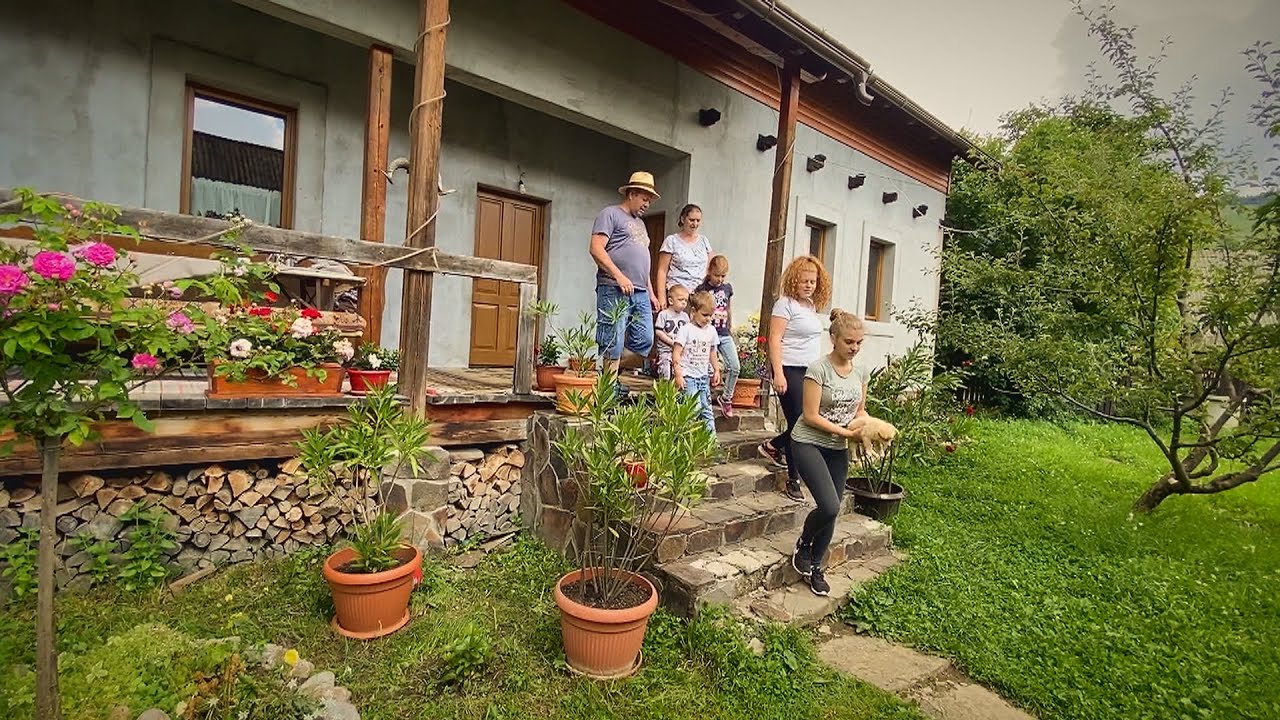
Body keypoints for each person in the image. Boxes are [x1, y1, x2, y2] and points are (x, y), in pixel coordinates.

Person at [789, 309, 868, 597]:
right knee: (830, 505)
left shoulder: (860, 372)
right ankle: (804, 544)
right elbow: (809, 415)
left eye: (859, 343)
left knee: (831, 512)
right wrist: (846, 433)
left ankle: (815, 566)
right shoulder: (818, 369)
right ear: (833, 338)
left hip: (837, 448)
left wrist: (868, 430)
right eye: (849, 342)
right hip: (809, 442)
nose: (854, 348)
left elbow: (860, 411)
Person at [758, 255, 831, 501]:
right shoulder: (784, 304)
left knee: (803, 423)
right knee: (800, 424)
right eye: (804, 281)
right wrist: (778, 372)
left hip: (809, 371)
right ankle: (793, 480)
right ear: (794, 281)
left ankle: (774, 446)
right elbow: (775, 339)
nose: (809, 285)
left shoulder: (811, 307)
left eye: (813, 281)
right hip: (788, 369)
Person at [590, 172, 661, 388]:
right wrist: (619, 276)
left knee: (646, 340)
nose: (647, 203)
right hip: (614, 287)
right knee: (613, 341)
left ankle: (609, 374)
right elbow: (596, 249)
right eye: (644, 198)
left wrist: (651, 292)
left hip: (640, 291)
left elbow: (642, 262)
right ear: (631, 194)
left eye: (649, 199)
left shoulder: (641, 224)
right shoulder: (609, 214)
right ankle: (608, 392)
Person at [672, 290, 722, 435]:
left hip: (703, 377)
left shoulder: (711, 331)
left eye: (711, 316)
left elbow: (712, 351)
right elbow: (676, 352)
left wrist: (716, 369)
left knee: (707, 409)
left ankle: (711, 443)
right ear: (694, 311)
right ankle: (684, 437)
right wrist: (678, 373)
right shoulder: (686, 330)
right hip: (689, 377)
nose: (708, 319)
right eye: (705, 315)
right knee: (693, 408)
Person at [696, 254, 739, 417]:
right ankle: (703, 401)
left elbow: (728, 308)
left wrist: (730, 325)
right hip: (707, 335)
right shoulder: (702, 289)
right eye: (716, 275)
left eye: (723, 276)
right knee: (706, 370)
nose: (719, 279)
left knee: (734, 366)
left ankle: (726, 398)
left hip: (723, 333)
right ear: (709, 271)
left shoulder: (727, 288)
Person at [654, 204, 711, 309]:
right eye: (691, 220)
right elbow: (662, 271)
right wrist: (661, 298)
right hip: (678, 296)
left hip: (699, 295)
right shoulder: (671, 241)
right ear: (683, 219)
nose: (695, 224)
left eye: (698, 220)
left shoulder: (704, 241)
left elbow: (709, 268)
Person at [653, 284, 690, 380]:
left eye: (686, 300)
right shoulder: (664, 314)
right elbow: (658, 331)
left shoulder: (685, 317)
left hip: (679, 351)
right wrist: (671, 342)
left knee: (679, 370)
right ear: (670, 301)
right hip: (665, 349)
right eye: (680, 300)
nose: (684, 303)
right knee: (665, 370)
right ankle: (664, 388)